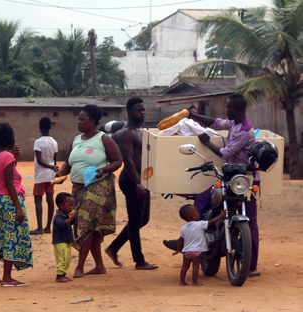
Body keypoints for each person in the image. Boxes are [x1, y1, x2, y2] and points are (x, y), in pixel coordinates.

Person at [163, 94, 261, 278]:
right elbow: (216, 123)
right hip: (238, 177)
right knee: (250, 220)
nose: (226, 110)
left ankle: (189, 239)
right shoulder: (234, 123)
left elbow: (225, 153)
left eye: (229, 107)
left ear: (237, 109)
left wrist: (207, 142)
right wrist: (192, 116)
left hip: (242, 179)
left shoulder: (243, 130)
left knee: (204, 199)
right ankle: (250, 264)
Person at [57, 104, 122, 278]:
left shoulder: (104, 139)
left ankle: (80, 266)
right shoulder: (76, 140)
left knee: (85, 223)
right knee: (90, 226)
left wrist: (104, 170)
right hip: (78, 188)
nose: (78, 122)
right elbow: (68, 163)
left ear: (92, 122)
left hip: (98, 185)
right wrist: (60, 173)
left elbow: (117, 161)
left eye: (82, 119)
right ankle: (99, 266)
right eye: (78, 118)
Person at [104, 97, 158, 270]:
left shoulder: (141, 131)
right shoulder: (127, 132)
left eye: (143, 110)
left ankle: (113, 248)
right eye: (138, 110)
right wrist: (138, 185)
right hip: (131, 180)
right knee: (136, 220)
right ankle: (139, 261)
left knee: (143, 219)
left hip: (142, 180)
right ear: (129, 112)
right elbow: (127, 160)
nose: (142, 112)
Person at [0, 123, 33, 287]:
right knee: (11, 237)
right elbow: (10, 183)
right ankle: (7, 277)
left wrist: (15, 158)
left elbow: (9, 174)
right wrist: (19, 207)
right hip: (10, 201)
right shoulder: (7, 156)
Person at [172, 205, 226, 286]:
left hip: (186, 252)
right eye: (197, 212)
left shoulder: (183, 228)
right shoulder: (200, 224)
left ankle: (182, 281)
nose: (199, 213)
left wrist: (178, 250)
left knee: (184, 267)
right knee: (195, 267)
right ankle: (194, 282)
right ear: (193, 216)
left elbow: (180, 240)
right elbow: (212, 222)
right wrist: (221, 216)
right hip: (197, 252)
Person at [30, 117, 59, 235]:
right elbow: (54, 161)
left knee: (38, 200)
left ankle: (40, 228)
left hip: (40, 175)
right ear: (50, 127)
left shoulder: (38, 142)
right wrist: (53, 168)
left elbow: (40, 161)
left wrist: (51, 167)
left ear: (40, 128)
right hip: (50, 175)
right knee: (50, 199)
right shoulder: (54, 142)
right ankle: (48, 227)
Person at [52, 192, 76, 283]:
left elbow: (72, 223)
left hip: (66, 241)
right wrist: (71, 217)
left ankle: (63, 274)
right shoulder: (58, 216)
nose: (72, 207)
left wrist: (74, 217)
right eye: (70, 205)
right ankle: (59, 275)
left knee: (67, 258)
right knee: (63, 258)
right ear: (61, 206)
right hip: (60, 241)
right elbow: (63, 224)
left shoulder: (66, 215)